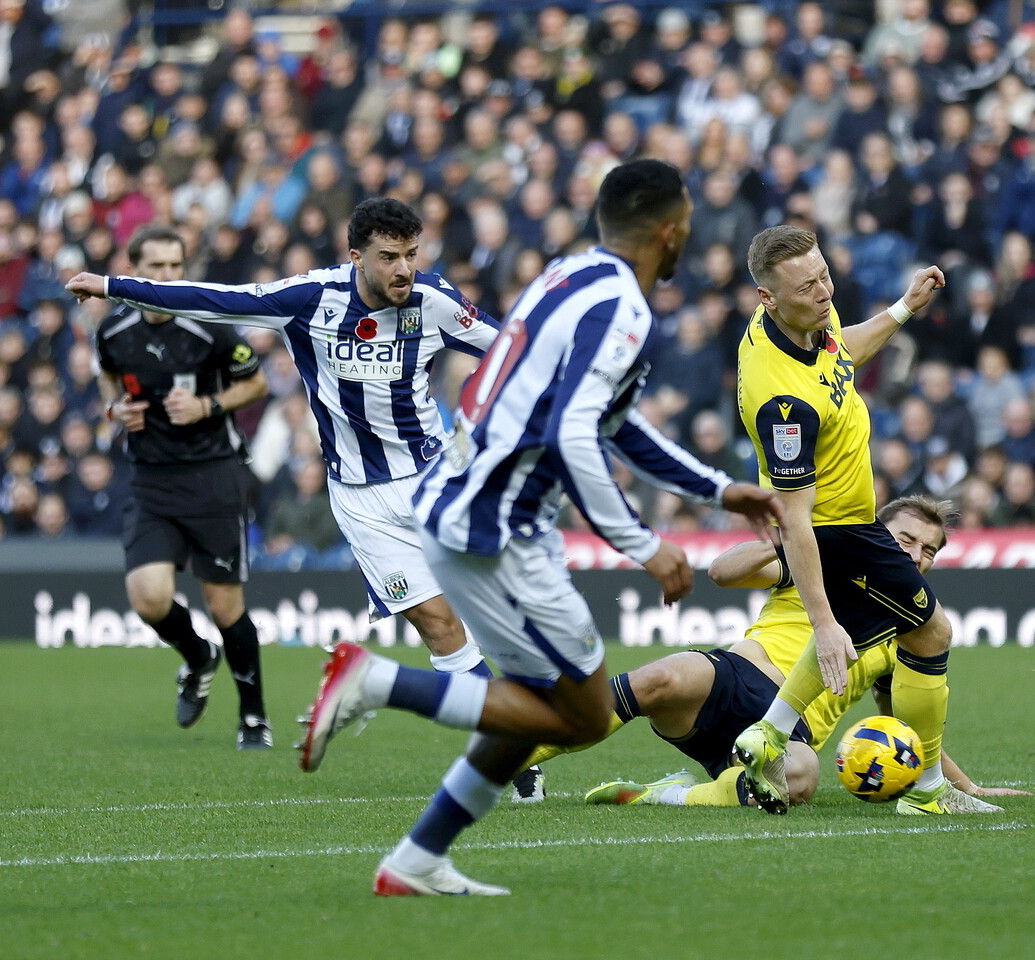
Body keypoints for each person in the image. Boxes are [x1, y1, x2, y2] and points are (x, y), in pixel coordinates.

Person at [293, 160, 784, 896]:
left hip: (457, 503)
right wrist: (644, 545)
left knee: (533, 712)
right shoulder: (623, 310)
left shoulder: (568, 275)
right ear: (671, 230)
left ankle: (417, 859)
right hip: (501, 527)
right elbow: (574, 435)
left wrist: (715, 488)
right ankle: (376, 681)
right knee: (582, 716)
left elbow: (610, 423)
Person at [67, 201, 532, 781]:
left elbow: (511, 348)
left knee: (494, 612)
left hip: (435, 483)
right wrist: (115, 287)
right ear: (356, 256)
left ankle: (520, 723)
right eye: (389, 257)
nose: (404, 270)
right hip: (361, 499)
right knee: (438, 626)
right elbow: (214, 299)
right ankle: (513, 751)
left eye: (412, 255)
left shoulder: (432, 300)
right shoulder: (309, 299)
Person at [572, 497, 1027, 811]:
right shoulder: (819, 562)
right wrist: (787, 539)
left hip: (790, 733)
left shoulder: (907, 636)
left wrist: (965, 786)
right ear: (876, 533)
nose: (915, 557)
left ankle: (665, 794)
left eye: (928, 551)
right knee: (661, 679)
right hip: (736, 677)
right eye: (905, 540)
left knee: (803, 777)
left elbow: (909, 726)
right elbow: (721, 572)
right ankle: (520, 755)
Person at [732, 225, 966, 815]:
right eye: (807, 285)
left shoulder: (806, 319)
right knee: (931, 632)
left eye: (824, 275)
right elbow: (793, 520)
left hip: (850, 522)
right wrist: (820, 617)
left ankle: (767, 732)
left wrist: (903, 308)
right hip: (835, 530)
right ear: (767, 297)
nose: (824, 291)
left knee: (869, 631)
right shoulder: (783, 403)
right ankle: (931, 794)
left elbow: (845, 349)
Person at [92, 226, 272, 748]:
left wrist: (208, 406)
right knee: (148, 598)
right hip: (150, 479)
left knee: (224, 607)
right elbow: (106, 376)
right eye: (157, 267)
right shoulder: (114, 329)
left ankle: (254, 717)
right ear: (133, 272)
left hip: (213, 476)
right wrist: (114, 409)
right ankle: (198, 657)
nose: (168, 276)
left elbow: (257, 382)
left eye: (176, 266)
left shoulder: (208, 326)